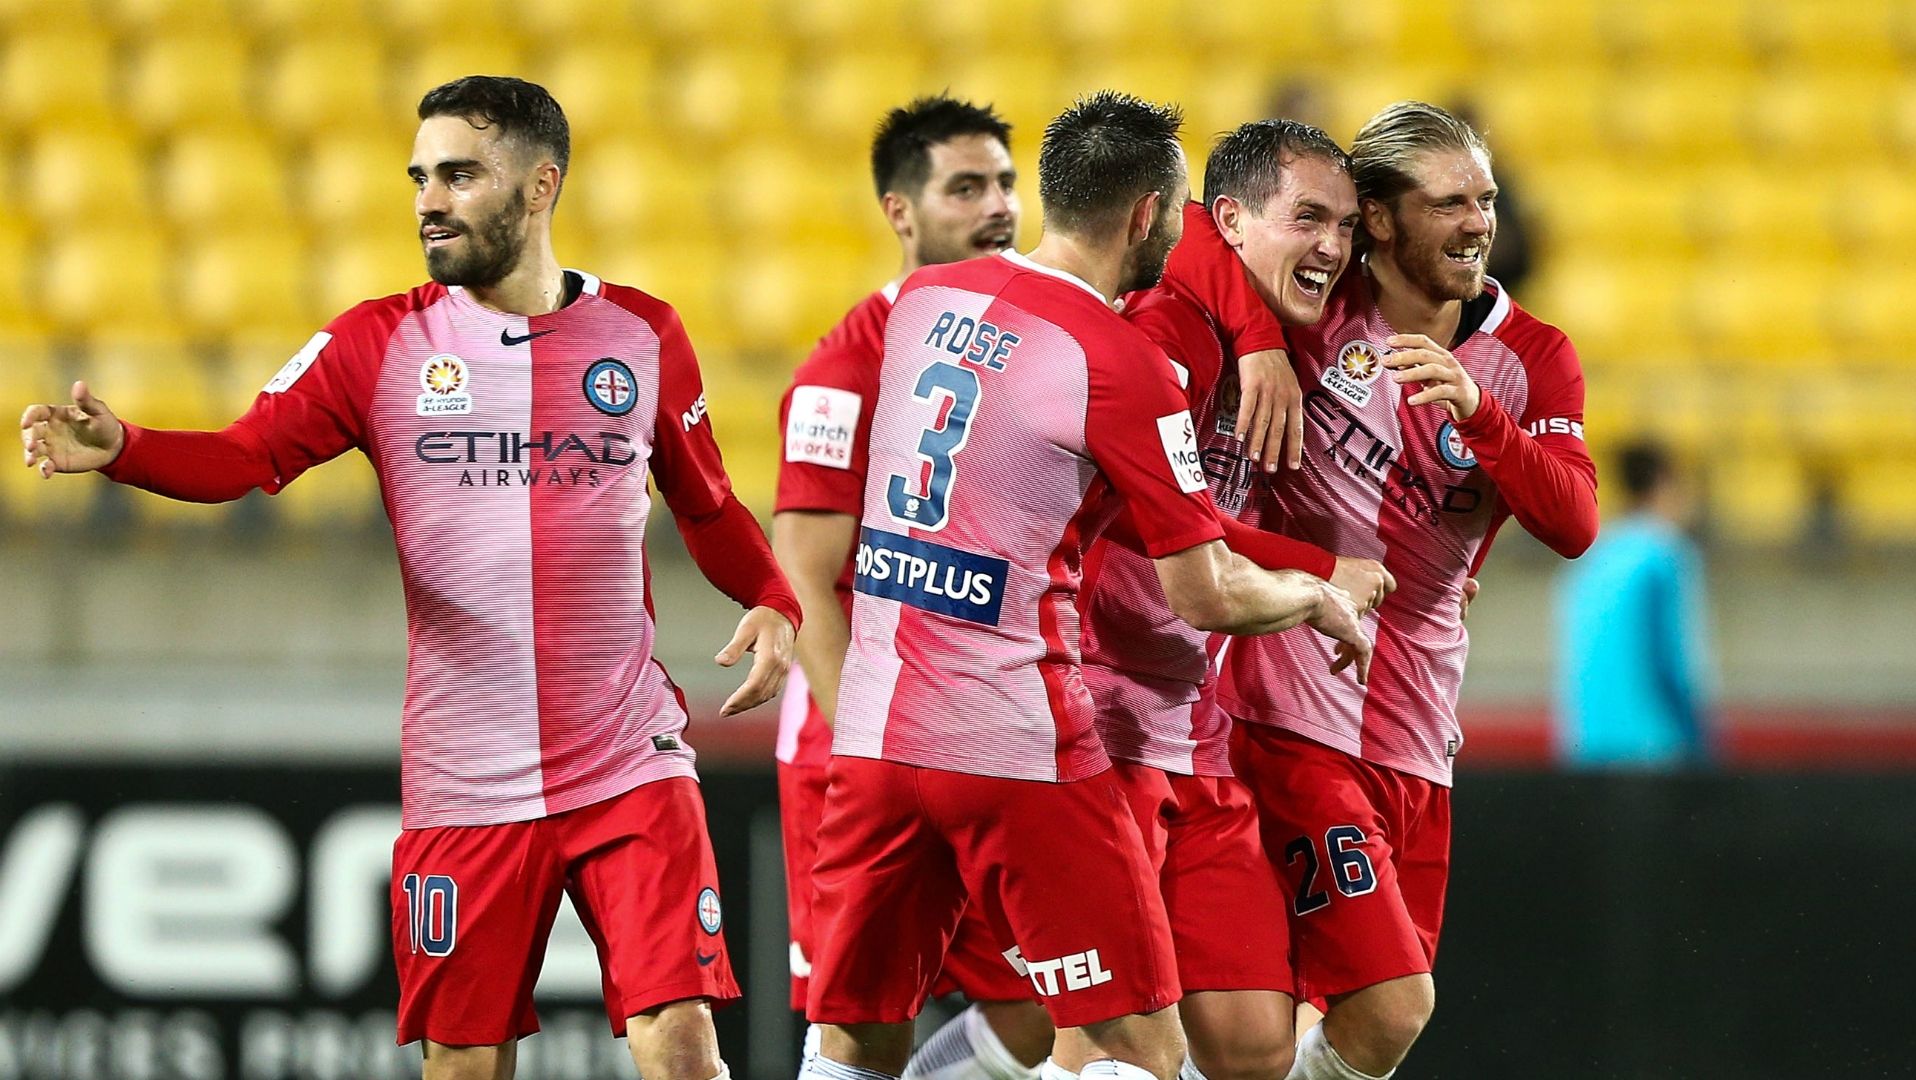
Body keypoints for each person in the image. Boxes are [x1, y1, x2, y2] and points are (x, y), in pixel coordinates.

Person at [17, 76, 798, 1080]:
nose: (429, 198)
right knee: (464, 1064)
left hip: (627, 755)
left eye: (460, 174)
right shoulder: (374, 344)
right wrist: (127, 449)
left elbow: (706, 504)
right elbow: (247, 457)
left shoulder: (641, 334)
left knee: (682, 1040)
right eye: (420, 176)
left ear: (539, 185)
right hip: (466, 777)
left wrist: (772, 596)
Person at [800, 91, 1371, 1080]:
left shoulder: (926, 303)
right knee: (1136, 1043)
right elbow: (1206, 594)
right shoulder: (1122, 360)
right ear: (1149, 215)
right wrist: (1315, 594)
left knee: (855, 1035)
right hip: (1015, 741)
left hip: (879, 731)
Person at [1184, 101, 1599, 1080]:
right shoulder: (1312, 305)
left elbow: (1575, 521)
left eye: (1486, 200)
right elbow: (1197, 236)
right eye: (1449, 201)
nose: (1477, 223)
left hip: (1418, 732)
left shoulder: (1530, 357)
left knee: (1373, 1028)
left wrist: (1481, 416)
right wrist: (1252, 339)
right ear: (1377, 216)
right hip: (1288, 710)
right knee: (1389, 999)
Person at [1080, 119, 1395, 1080]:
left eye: (1344, 225)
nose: (1333, 247)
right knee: (1123, 1049)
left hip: (1194, 728)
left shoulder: (1285, 345)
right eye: (1308, 218)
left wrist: (1259, 334)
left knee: (1255, 1045)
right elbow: (1145, 516)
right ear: (1228, 224)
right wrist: (1318, 571)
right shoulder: (1156, 329)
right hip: (1095, 727)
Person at [770, 95, 1052, 1080]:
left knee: (1043, 1012)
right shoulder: (846, 369)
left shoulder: (1038, 348)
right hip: (858, 748)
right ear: (900, 210)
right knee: (862, 1023)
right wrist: (869, 739)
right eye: (965, 188)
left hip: (987, 740)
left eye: (1007, 184)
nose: (998, 208)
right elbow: (803, 574)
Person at [1554, 441, 1714, 767]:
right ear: (1664, 482)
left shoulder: (1590, 556)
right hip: (1651, 749)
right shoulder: (1662, 555)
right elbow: (1671, 660)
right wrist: (1702, 746)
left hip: (1585, 747)